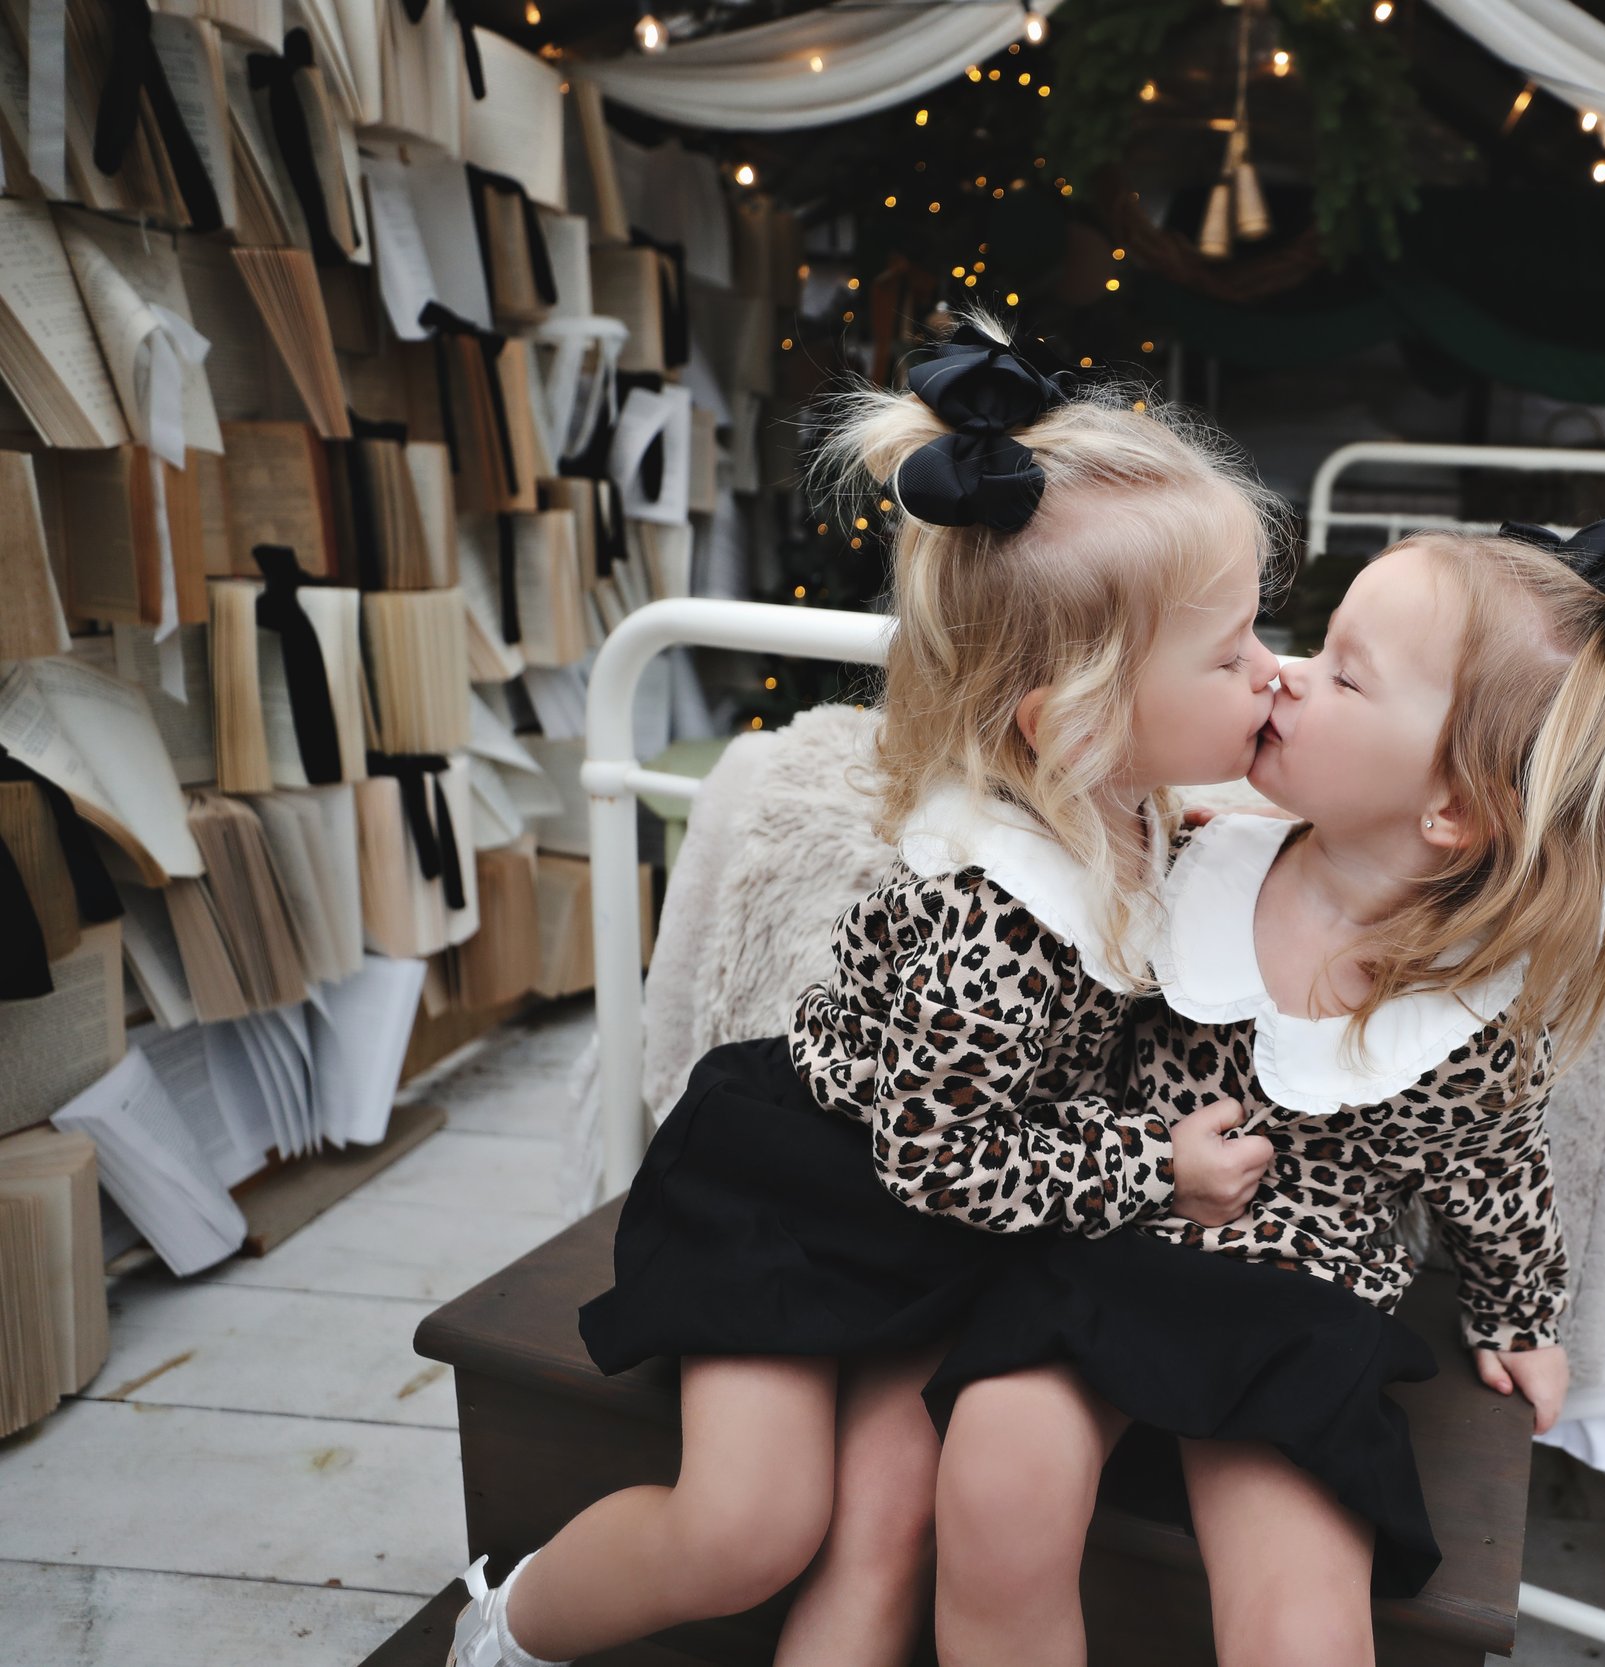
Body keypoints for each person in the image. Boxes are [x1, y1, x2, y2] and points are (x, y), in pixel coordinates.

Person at [445, 317, 1288, 1667]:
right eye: (1235, 649)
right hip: (811, 1193)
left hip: (952, 1228)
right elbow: (946, 1153)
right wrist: (1152, 1159)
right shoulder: (991, 912)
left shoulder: (1133, 802)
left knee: (890, 1518)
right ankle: (518, 1620)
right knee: (750, 1525)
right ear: (1069, 720)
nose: (1269, 672)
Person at [925, 516, 1605, 1667]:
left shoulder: (1461, 1015)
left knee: (1299, 1612)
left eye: (1342, 671)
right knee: (992, 1486)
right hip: (1105, 1239)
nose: (1284, 672)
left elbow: (1493, 1166)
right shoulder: (1182, 853)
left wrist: (1521, 1315)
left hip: (1297, 1304)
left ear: (1451, 808)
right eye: (1310, 646)